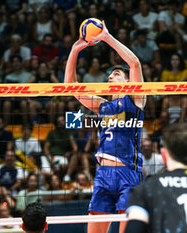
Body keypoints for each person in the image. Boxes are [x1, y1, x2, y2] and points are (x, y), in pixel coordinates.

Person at [64, 20, 146, 233]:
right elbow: (70, 88)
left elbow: (135, 63)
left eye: (117, 74)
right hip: (103, 175)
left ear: (128, 82)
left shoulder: (135, 99)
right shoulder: (102, 106)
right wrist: (74, 51)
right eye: (109, 75)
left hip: (128, 173)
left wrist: (106, 37)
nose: (110, 76)